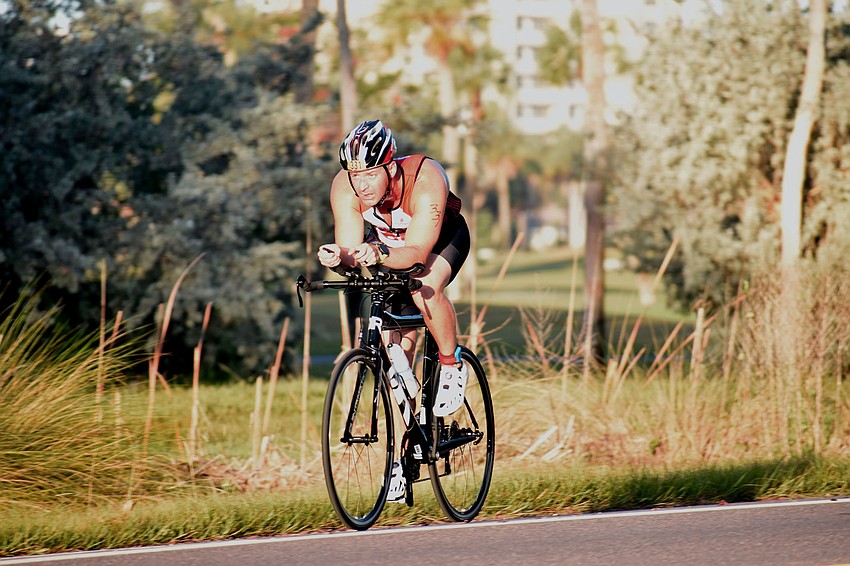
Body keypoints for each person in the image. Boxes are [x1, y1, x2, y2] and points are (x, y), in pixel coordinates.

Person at [317, 118, 470, 421]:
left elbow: (416, 255)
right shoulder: (345, 188)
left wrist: (377, 252)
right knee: (396, 362)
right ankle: (406, 452)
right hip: (385, 250)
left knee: (425, 283)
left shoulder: (425, 180)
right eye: (355, 175)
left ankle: (452, 365)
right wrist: (340, 256)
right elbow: (350, 253)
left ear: (390, 168)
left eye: (370, 175)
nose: (361, 185)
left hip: (438, 242)